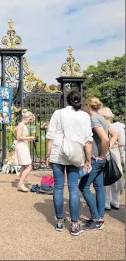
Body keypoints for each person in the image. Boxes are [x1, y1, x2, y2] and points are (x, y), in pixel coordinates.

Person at [46, 90, 93, 236]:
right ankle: (74, 224)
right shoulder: (84, 116)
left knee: (58, 187)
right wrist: (88, 159)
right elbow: (88, 141)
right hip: (76, 153)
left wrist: (48, 155)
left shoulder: (58, 113)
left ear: (67, 100)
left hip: (58, 152)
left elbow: (50, 136)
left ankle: (60, 222)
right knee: (73, 189)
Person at [81, 97, 109, 231]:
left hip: (96, 159)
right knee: (98, 187)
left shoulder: (94, 119)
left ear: (88, 106)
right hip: (101, 160)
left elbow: (105, 138)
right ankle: (100, 217)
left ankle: (96, 219)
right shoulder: (102, 118)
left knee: (84, 186)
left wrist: (101, 155)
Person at [99, 107, 124, 210]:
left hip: (106, 152)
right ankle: (116, 201)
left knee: (106, 177)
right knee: (116, 176)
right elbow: (121, 144)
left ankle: (106, 202)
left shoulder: (103, 127)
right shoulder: (118, 127)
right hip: (116, 153)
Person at [14, 109, 36, 192]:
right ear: (26, 117)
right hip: (21, 146)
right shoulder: (21, 125)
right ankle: (21, 183)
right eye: (30, 119)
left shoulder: (23, 125)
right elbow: (18, 137)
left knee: (24, 166)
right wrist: (30, 138)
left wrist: (30, 139)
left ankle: (21, 182)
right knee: (29, 166)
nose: (30, 121)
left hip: (24, 145)